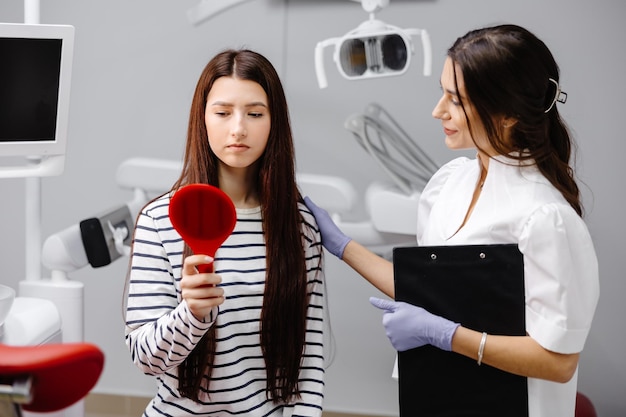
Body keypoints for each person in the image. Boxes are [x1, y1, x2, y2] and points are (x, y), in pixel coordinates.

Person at [305, 24, 599, 416]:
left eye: (455, 100)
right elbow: (429, 293)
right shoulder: (449, 185)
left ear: (508, 113)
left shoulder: (544, 219)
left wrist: (446, 335)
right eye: (442, 92)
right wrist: (341, 245)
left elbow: (558, 362)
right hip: (438, 396)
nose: (438, 110)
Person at [124, 49, 325, 416]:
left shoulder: (301, 227)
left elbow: (309, 359)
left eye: (254, 113)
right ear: (202, 119)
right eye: (222, 112)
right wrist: (192, 314)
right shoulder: (159, 220)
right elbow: (144, 357)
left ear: (274, 121)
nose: (238, 128)